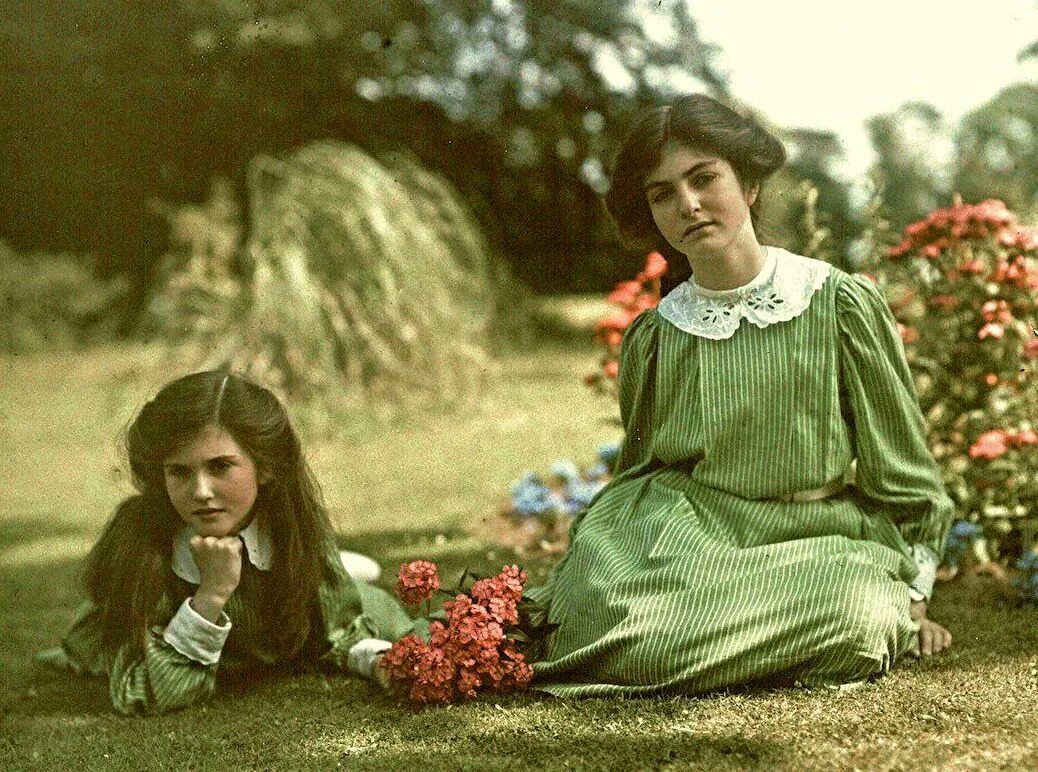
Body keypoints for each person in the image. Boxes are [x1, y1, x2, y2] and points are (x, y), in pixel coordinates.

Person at [527, 94, 954, 697]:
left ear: (749, 184)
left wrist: (915, 596)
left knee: (860, 617)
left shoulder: (837, 303)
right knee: (599, 606)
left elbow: (908, 477)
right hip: (688, 538)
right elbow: (642, 470)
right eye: (662, 194)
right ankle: (722, 644)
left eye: (704, 179)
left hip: (817, 539)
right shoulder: (657, 334)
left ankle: (687, 645)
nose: (688, 205)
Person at [37, 371, 415, 715]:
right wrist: (212, 593)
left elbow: (340, 631)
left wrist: (378, 660)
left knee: (378, 612)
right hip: (152, 627)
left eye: (220, 467)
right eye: (179, 472)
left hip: (270, 626)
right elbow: (145, 691)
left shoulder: (290, 524)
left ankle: (338, 568)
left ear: (265, 466)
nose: (201, 492)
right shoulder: (145, 547)